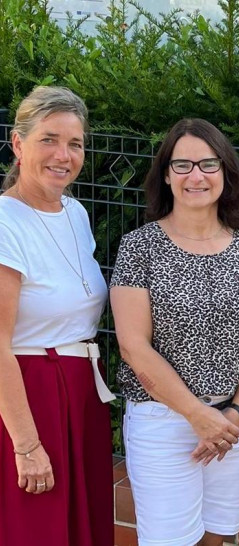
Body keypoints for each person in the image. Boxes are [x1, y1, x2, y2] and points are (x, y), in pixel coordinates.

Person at [110, 118, 239, 546]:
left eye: (208, 163)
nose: (196, 176)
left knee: (217, 536)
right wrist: (197, 414)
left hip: (235, 423)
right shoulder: (139, 247)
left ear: (226, 172)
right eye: (182, 165)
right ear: (166, 175)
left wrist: (234, 414)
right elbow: (133, 347)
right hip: (164, 423)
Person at [0, 86, 114, 545]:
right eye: (49, 139)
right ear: (18, 144)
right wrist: (26, 446)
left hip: (82, 390)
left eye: (75, 143)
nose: (63, 155)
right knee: (38, 529)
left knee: (80, 526)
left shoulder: (76, 212)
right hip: (31, 394)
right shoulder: (5, 224)